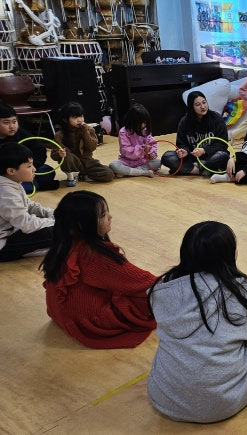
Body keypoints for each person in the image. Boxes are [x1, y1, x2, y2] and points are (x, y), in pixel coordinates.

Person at [147, 221, 247, 423]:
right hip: (221, 404)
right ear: (230, 254)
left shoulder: (165, 287)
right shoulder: (241, 291)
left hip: (164, 398)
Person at [40, 191, 157, 348]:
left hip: (60, 314)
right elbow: (143, 281)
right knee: (151, 295)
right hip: (90, 323)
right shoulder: (95, 255)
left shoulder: (64, 244)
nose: (110, 217)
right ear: (82, 225)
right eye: (103, 215)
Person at [0, 142, 54, 262]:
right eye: (29, 166)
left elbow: (29, 205)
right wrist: (54, 222)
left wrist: (53, 214)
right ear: (11, 171)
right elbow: (25, 224)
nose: (34, 169)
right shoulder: (5, 192)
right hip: (3, 245)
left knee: (54, 228)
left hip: (12, 231)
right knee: (54, 232)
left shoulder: (12, 183)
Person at [161, 91, 230, 176]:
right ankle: (201, 170)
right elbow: (181, 144)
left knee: (223, 156)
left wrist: (204, 150)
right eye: (198, 105)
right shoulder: (184, 122)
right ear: (191, 107)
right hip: (191, 159)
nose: (203, 107)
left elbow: (222, 144)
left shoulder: (216, 119)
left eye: (204, 102)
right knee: (167, 157)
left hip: (210, 156)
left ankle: (189, 169)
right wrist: (184, 151)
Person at [0, 102, 59, 192]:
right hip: (5, 173)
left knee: (48, 172)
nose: (12, 126)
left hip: (20, 170)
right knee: (28, 187)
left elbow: (40, 150)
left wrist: (28, 167)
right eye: (6, 122)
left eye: (14, 121)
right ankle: (29, 184)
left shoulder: (20, 133)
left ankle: (29, 183)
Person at [53, 102, 114, 186]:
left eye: (81, 116)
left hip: (87, 161)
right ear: (65, 119)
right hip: (72, 162)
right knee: (67, 155)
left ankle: (82, 176)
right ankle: (73, 176)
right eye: (75, 117)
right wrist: (59, 153)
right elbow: (54, 155)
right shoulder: (59, 135)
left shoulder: (89, 130)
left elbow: (91, 147)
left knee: (109, 174)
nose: (80, 120)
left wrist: (85, 131)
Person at [108, 103, 159, 178]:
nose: (144, 125)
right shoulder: (123, 132)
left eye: (145, 123)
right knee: (113, 165)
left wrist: (152, 152)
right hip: (126, 161)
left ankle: (129, 172)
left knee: (159, 162)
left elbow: (152, 143)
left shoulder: (145, 131)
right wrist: (142, 149)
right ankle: (143, 172)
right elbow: (125, 150)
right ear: (132, 121)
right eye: (141, 123)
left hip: (142, 161)